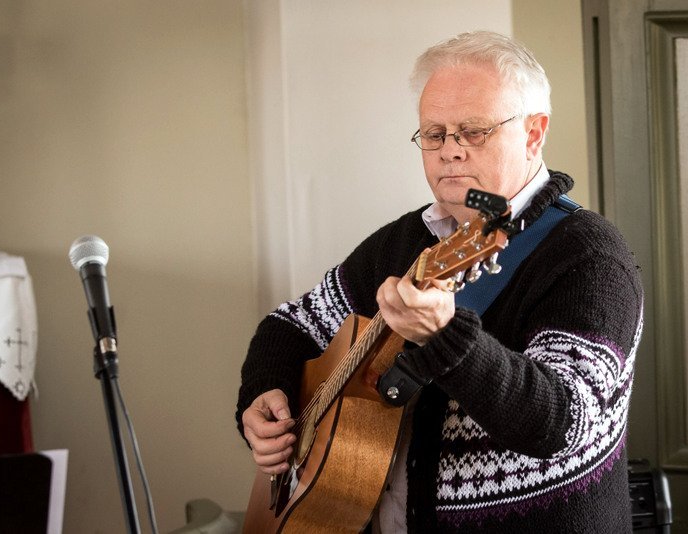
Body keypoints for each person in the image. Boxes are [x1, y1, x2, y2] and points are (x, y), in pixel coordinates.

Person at [236, 30, 643, 533]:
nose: (449, 151)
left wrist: (445, 337)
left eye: (473, 131)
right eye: (434, 133)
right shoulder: (403, 240)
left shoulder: (590, 256)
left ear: (534, 133)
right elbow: (291, 325)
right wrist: (263, 397)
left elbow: (564, 424)